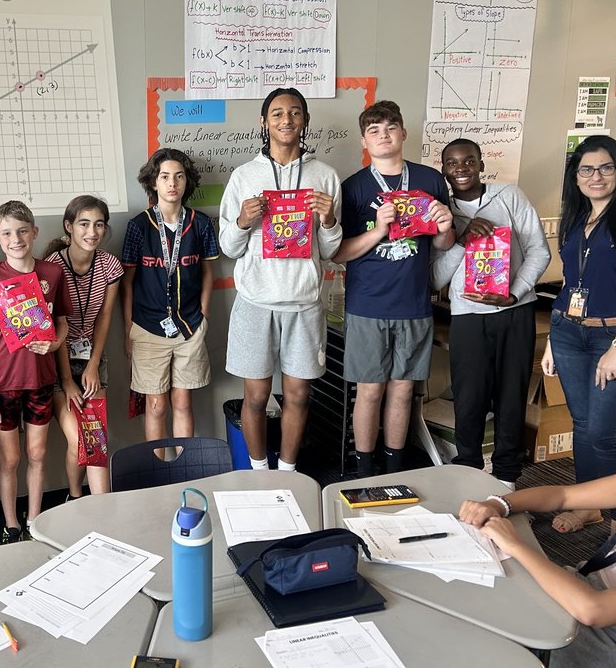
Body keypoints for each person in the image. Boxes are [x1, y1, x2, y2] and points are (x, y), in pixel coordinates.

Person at [219, 88, 342, 471]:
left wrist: (329, 220)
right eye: (276, 113)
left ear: (304, 120)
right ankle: (258, 473)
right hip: (256, 301)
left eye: (294, 113)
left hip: (304, 303)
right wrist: (242, 222)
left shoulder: (324, 176)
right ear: (264, 122)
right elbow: (228, 246)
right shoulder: (244, 176)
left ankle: (287, 473)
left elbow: (332, 249)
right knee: (254, 398)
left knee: (299, 395)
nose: (286, 120)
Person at [334, 100, 454, 476]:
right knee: (369, 390)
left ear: (403, 133)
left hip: (415, 302)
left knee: (403, 391)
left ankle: (395, 466)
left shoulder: (431, 179)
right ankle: (364, 469)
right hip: (367, 304)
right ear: (364, 141)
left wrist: (446, 225)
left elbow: (442, 246)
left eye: (390, 128)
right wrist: (379, 230)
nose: (383, 136)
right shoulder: (352, 187)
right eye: (374, 131)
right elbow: (338, 252)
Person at [459, 437, 616, 668]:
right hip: (582, 586)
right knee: (478, 610)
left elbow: (594, 610)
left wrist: (515, 545)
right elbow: (563, 495)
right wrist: (499, 504)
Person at [541, 135, 616, 533]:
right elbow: (571, 284)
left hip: (614, 338)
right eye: (586, 169)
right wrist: (554, 340)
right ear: (576, 177)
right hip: (569, 333)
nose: (596, 176)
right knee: (583, 426)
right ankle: (591, 504)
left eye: (606, 167)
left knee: (604, 432)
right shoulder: (574, 219)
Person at [431, 139, 550, 487]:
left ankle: (507, 477)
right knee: (469, 398)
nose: (462, 169)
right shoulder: (441, 213)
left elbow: (539, 252)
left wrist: (514, 293)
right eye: (452, 164)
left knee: (511, 395)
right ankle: (467, 471)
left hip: (514, 311)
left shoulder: (510, 197)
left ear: (482, 165)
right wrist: (461, 241)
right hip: (467, 316)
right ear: (444, 171)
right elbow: (435, 277)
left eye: (469, 161)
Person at [0, 200, 70, 542]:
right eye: (6, 233)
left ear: (35, 232)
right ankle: (10, 522)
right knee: (10, 457)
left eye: (21, 231)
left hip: (42, 379)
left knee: (38, 453)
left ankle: (33, 520)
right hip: (4, 383)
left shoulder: (51, 273)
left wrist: (55, 344)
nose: (15, 239)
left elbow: (61, 323)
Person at [121, 148, 220, 442]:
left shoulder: (200, 223)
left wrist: (203, 315)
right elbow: (127, 282)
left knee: (182, 401)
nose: (172, 183)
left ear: (187, 182)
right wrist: (128, 329)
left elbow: (207, 272)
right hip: (148, 327)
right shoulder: (138, 226)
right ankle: (157, 471)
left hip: (189, 325)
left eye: (179, 176)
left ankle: (183, 470)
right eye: (164, 176)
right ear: (154, 182)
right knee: (156, 405)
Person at [43, 196, 123, 498]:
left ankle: (101, 509)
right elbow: (54, 326)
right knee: (79, 440)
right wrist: (66, 381)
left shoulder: (109, 265)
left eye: (99, 224)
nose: (92, 231)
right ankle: (75, 497)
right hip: (57, 364)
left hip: (92, 358)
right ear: (69, 227)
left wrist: (92, 364)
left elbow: (105, 318)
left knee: (96, 437)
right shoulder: (52, 267)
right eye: (84, 224)